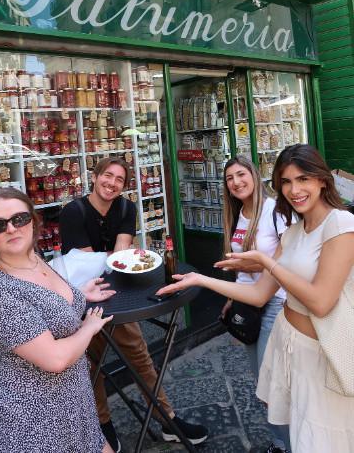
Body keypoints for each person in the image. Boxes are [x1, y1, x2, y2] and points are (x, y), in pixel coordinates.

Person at [157, 144, 354, 453]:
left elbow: (321, 302)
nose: (294, 189)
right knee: (296, 427)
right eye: (286, 182)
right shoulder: (295, 232)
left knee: (323, 438)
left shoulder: (340, 224)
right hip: (290, 345)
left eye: (303, 179)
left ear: (322, 180)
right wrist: (200, 279)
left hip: (322, 353)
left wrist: (267, 263)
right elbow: (259, 293)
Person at [60, 157, 208, 453]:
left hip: (117, 294)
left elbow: (120, 251)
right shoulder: (73, 212)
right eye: (107, 176)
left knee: (138, 356)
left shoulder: (127, 208)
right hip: (82, 298)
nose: (111, 183)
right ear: (95, 176)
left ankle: (167, 420)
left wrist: (124, 256)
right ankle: (102, 426)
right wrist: (121, 257)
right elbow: (91, 263)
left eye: (119, 180)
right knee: (90, 366)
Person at [0, 187, 116, 453]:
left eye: (19, 219)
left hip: (75, 406)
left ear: (33, 221)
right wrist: (88, 328)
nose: (11, 229)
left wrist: (79, 294)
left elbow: (48, 301)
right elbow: (54, 359)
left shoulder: (35, 260)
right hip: (32, 423)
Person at [220, 156, 291, 453]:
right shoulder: (238, 214)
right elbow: (238, 265)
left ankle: (292, 444)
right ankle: (281, 442)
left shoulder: (275, 211)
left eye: (241, 174)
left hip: (275, 303)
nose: (236, 182)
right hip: (248, 305)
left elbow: (290, 259)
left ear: (254, 174)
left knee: (273, 385)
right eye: (229, 178)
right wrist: (232, 296)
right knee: (263, 383)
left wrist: (256, 267)